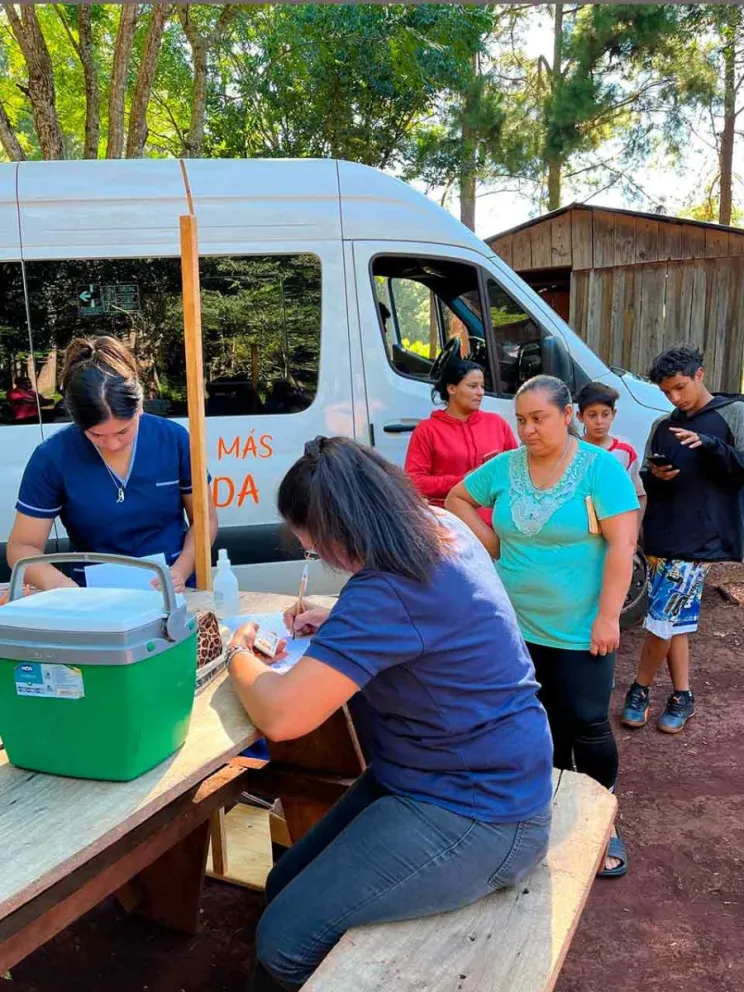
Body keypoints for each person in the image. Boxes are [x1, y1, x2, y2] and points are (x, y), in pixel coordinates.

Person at [226, 437, 553, 991]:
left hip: (482, 810)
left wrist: (239, 651)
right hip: (451, 774)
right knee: (282, 882)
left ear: (343, 531)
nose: (319, 560)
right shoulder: (435, 528)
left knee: (283, 941)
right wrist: (339, 625)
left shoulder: (390, 589)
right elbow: (426, 624)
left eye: (315, 550)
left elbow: (281, 717)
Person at [446, 375, 639, 878]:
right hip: (515, 623)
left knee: (588, 723)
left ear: (567, 414)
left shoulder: (599, 469)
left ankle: (603, 821)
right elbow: (456, 498)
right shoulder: (507, 467)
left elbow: (622, 546)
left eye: (538, 419)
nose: (527, 430)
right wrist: (494, 545)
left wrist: (608, 616)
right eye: (521, 420)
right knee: (538, 723)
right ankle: (546, 813)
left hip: (581, 626)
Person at [7, 336, 218, 591]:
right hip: (91, 596)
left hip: (174, 589)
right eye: (96, 435)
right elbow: (22, 547)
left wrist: (180, 571)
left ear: (139, 407)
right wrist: (63, 587)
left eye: (123, 431)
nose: (113, 444)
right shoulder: (52, 457)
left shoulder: (174, 440)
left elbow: (204, 520)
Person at [621, 346, 744, 735]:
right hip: (663, 533)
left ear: (699, 375)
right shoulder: (663, 425)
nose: (674, 398)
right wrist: (658, 476)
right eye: (666, 392)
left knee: (661, 619)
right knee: (675, 619)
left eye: (680, 387)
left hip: (702, 537)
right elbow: (646, 477)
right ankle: (682, 695)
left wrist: (710, 446)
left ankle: (639, 688)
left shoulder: (734, 414)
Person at [404, 358, 517, 525]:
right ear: (451, 388)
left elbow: (516, 469)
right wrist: (463, 481)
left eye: (482, 386)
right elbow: (414, 482)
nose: (480, 392)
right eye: (473, 386)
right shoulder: (427, 430)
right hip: (449, 523)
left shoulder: (497, 423)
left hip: (496, 522)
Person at [576, 381, 646, 526]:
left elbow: (638, 495)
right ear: (580, 416)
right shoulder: (571, 450)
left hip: (615, 526)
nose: (599, 421)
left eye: (605, 414)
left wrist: (633, 531)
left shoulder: (625, 453)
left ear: (614, 414)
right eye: (592, 415)